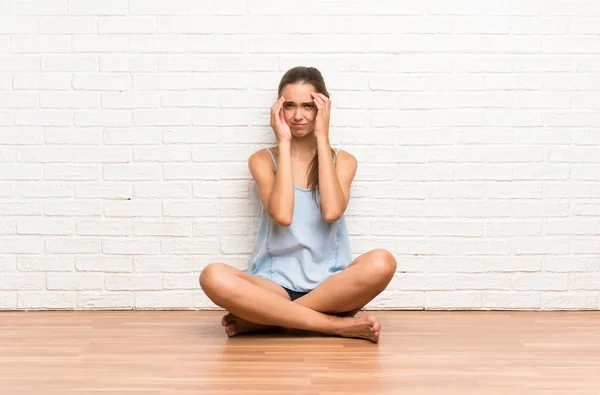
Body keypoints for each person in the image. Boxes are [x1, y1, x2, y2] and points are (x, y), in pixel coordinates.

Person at [199, 66, 397, 343]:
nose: (298, 115)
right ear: (278, 109)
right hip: (272, 287)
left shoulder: (344, 160)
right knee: (212, 276)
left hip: (331, 288)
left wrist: (323, 138)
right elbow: (282, 215)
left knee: (382, 262)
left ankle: (266, 320)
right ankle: (334, 326)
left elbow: (331, 211)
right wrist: (283, 141)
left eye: (308, 106)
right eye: (289, 105)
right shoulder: (263, 159)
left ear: (322, 109)